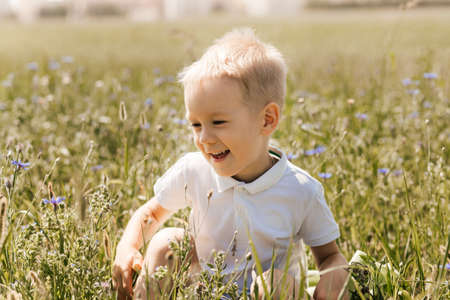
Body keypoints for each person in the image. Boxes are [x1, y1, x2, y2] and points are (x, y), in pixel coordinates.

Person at [112, 28, 349, 300]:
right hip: (204, 292)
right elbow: (152, 214)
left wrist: (334, 278)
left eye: (218, 122)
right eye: (196, 124)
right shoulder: (194, 170)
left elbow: (330, 255)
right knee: (167, 242)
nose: (204, 138)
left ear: (267, 120)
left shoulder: (300, 190)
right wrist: (127, 246)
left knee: (272, 282)